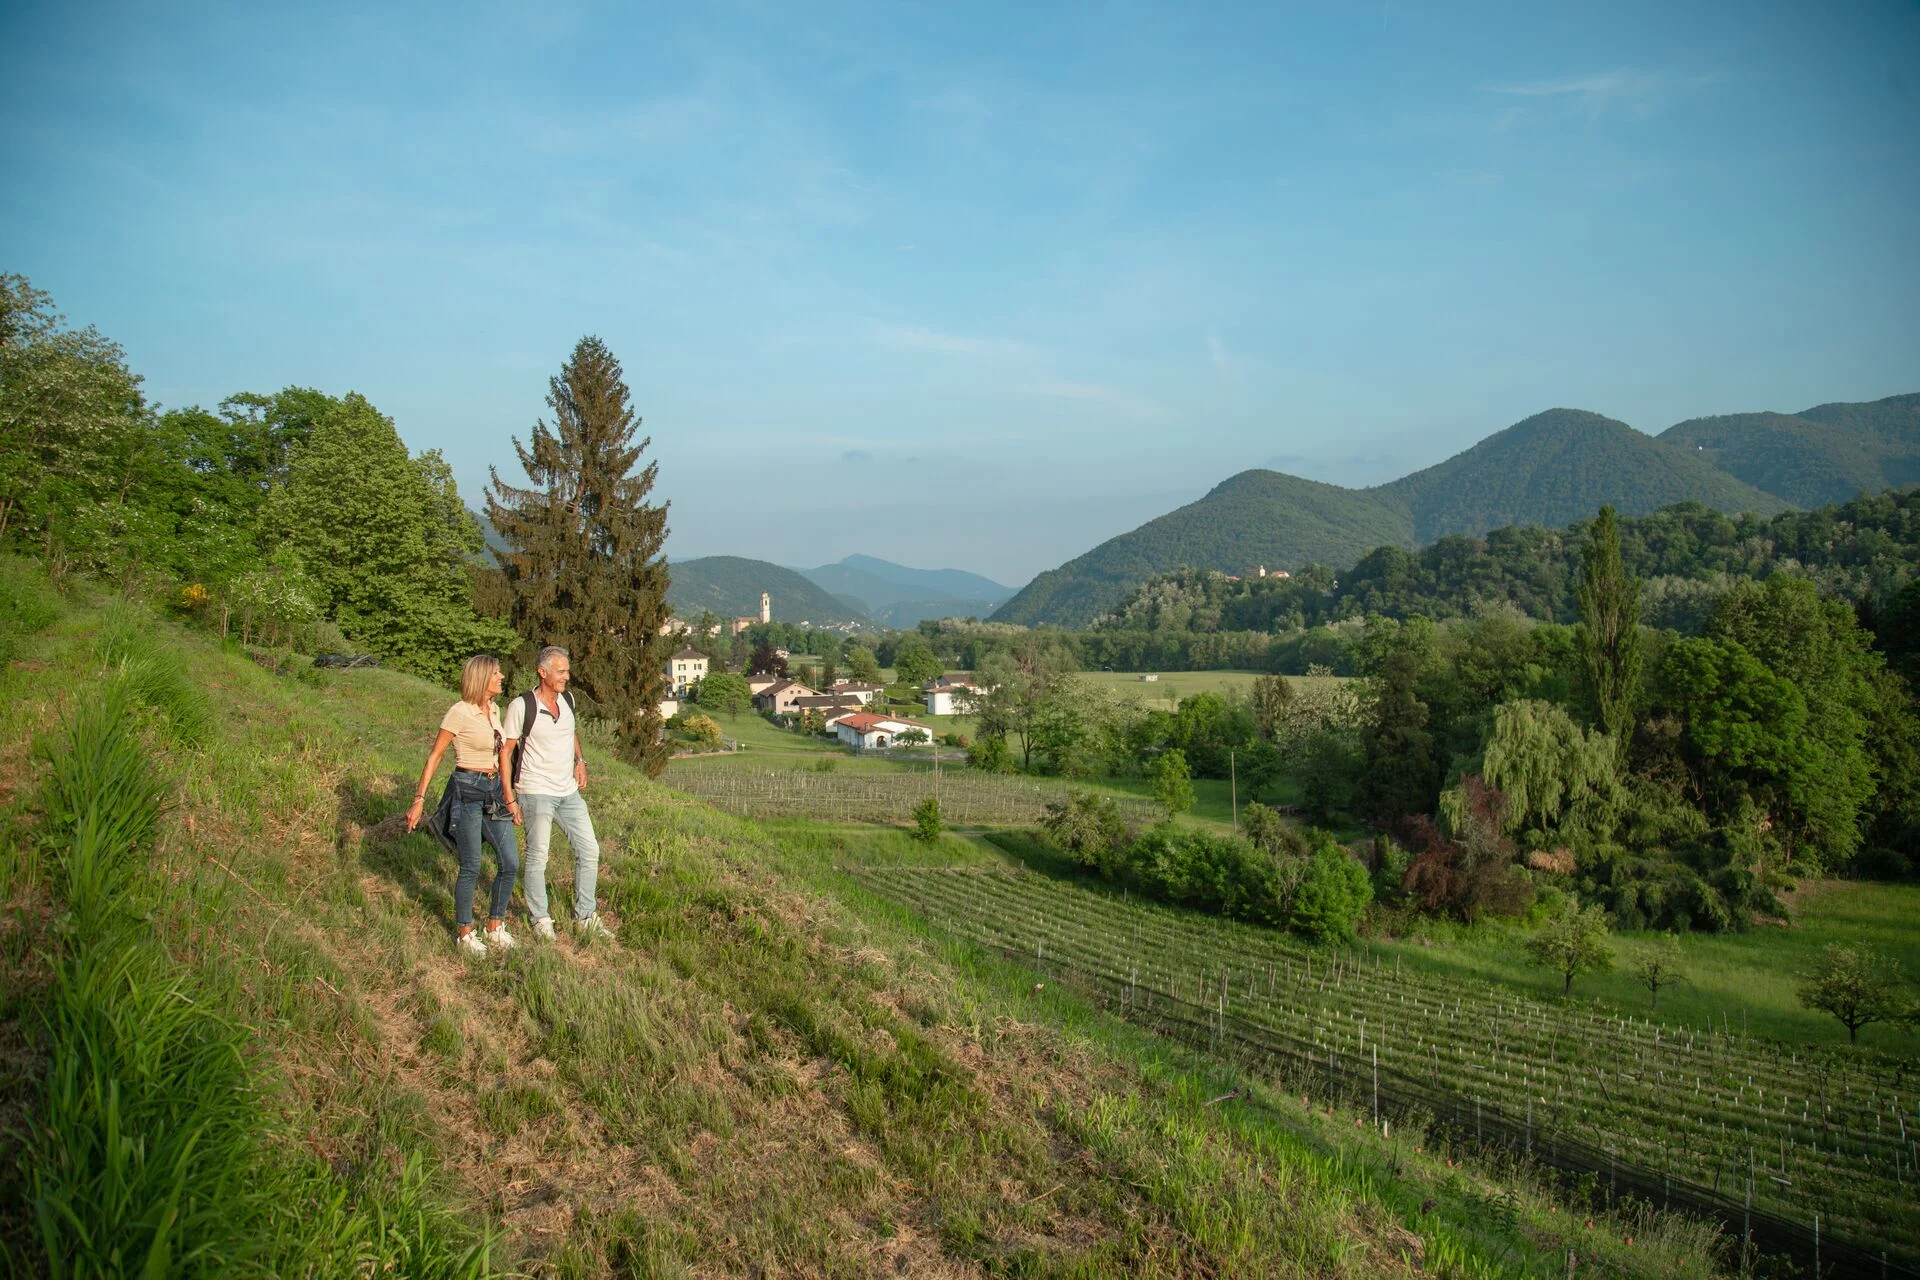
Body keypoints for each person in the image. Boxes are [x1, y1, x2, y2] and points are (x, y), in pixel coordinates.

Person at [406, 654, 522, 955]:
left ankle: (495, 927)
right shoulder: (459, 712)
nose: (501, 677)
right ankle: (465, 933)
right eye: (496, 673)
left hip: (493, 791)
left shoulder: (494, 709)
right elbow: (435, 756)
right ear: (481, 678)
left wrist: (509, 797)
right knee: (471, 865)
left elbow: (503, 756)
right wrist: (419, 800)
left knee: (510, 862)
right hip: (467, 789)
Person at [502, 645, 615, 942]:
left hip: (568, 792)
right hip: (535, 791)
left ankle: (585, 916)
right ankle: (540, 918)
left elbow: (570, 732)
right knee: (538, 856)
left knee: (589, 850)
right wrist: (509, 798)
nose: (567, 676)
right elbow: (506, 752)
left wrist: (581, 761)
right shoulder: (521, 706)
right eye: (561, 671)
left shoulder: (568, 700)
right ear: (543, 672)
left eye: (567, 670)